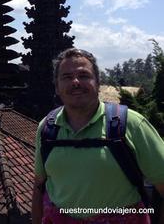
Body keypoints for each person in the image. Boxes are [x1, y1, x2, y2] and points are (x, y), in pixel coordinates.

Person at [32, 48, 164, 223]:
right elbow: (39, 186)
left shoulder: (131, 124)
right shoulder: (47, 128)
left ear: (98, 83)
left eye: (84, 75)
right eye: (67, 77)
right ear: (57, 87)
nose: (76, 82)